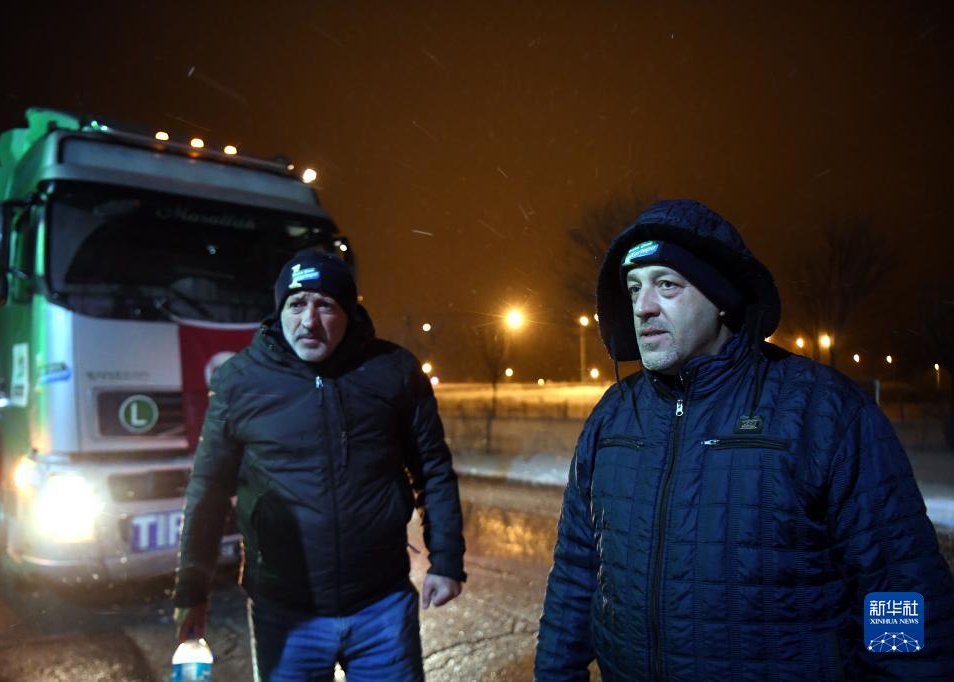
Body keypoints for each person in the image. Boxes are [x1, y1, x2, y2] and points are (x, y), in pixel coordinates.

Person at [535, 199, 954, 679]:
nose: (643, 306)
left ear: (722, 299)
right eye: (634, 288)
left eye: (667, 285)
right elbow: (574, 575)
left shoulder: (824, 412)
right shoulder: (613, 417)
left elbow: (899, 589)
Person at [173, 250, 465, 681]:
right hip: (285, 616)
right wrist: (192, 589)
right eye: (296, 304)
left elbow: (433, 468)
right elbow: (209, 489)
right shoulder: (240, 381)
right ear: (280, 311)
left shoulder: (394, 372)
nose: (308, 321)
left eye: (325, 305)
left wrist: (447, 561)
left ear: (348, 312)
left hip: (381, 607)